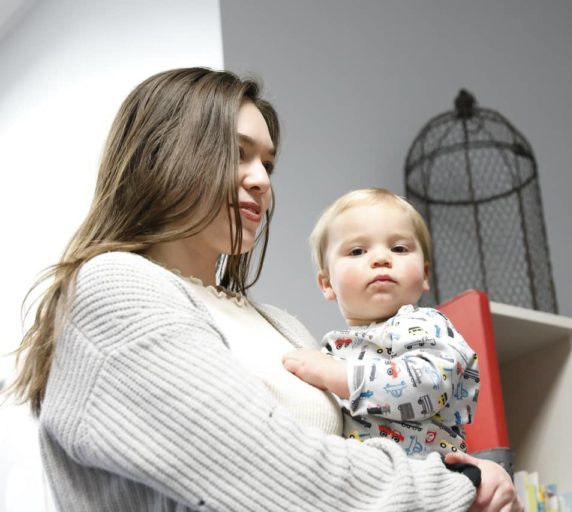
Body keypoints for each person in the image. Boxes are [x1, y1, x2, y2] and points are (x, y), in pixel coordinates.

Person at [6, 67, 522, 511]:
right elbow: (272, 472)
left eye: (268, 164)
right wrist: (459, 487)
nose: (260, 180)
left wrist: (455, 467)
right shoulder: (115, 288)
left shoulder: (281, 325)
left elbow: (358, 452)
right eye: (237, 154)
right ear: (161, 156)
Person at [283, 188, 480, 459]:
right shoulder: (333, 350)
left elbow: (429, 384)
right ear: (327, 284)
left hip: (430, 479)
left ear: (424, 274)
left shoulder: (426, 323)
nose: (381, 259)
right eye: (357, 251)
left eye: (399, 248)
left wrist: (338, 376)